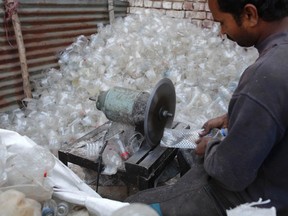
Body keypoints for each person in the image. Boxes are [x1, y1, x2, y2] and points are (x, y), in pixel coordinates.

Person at [125, 0, 288, 215]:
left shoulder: (266, 75)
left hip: (258, 201)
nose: (221, 32)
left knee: (136, 204)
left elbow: (230, 173)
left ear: (250, 15)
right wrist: (234, 115)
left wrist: (210, 145)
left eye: (222, 22)